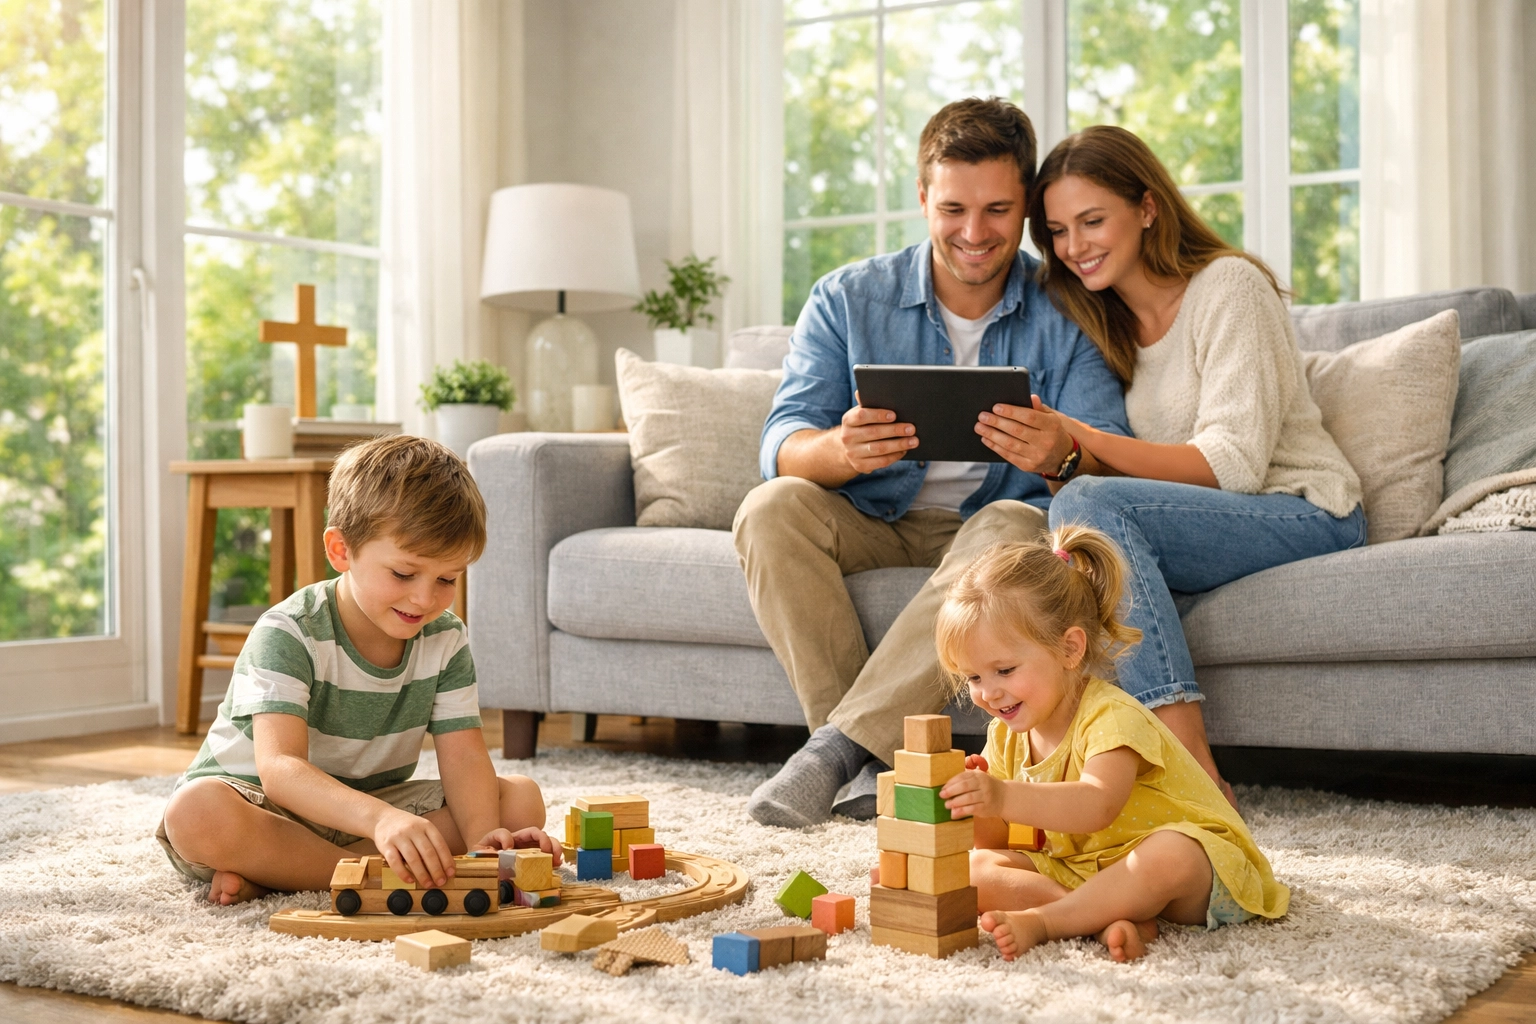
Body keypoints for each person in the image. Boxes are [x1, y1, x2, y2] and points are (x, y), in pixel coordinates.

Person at [734, 97, 1131, 828]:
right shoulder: (848, 298)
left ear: (1026, 206)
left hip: (991, 528)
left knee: (1015, 521)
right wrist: (839, 449)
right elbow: (780, 442)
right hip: (870, 517)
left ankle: (833, 757)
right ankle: (865, 759)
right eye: (953, 209)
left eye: (998, 210)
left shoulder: (1068, 308)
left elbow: (1104, 457)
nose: (974, 233)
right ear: (922, 198)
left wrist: (1061, 453)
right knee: (769, 509)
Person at [1014, 125, 1367, 800]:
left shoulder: (1229, 287)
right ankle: (1068, 775)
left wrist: (1083, 439)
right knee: (1063, 536)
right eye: (1057, 231)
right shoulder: (1108, 327)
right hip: (1211, 522)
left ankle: (1195, 772)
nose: (1074, 246)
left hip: (1306, 511)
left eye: (1092, 221)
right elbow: (1125, 486)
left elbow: (1233, 465)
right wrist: (1060, 454)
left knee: (1084, 507)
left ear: (1148, 207)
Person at [158, 435, 560, 905]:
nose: (424, 598)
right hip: (265, 806)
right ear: (341, 550)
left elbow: (465, 758)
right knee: (195, 813)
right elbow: (281, 770)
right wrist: (381, 820)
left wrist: (482, 844)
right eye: (404, 574)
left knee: (520, 800)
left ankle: (291, 874)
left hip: (366, 814)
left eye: (447, 578)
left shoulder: (446, 639)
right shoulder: (289, 631)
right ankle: (350, 872)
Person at [933, 529, 1289, 963]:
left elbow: (1096, 806)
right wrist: (976, 807)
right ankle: (1100, 917)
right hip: (1086, 870)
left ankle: (1049, 921)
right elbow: (1001, 842)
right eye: (973, 677)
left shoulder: (1111, 715)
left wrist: (1003, 795)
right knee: (970, 870)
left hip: (1191, 875)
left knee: (1171, 854)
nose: (988, 693)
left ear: (1070, 649)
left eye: (1004, 670)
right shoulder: (1005, 735)